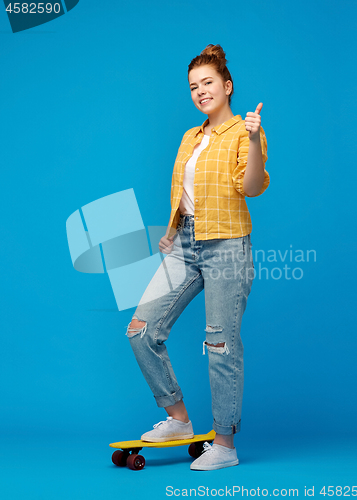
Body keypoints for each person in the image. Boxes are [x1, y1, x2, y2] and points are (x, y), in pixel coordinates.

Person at [126, 43, 269, 471]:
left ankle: (224, 445)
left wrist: (254, 140)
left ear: (227, 86)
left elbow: (253, 186)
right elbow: (181, 193)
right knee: (140, 329)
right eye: (193, 86)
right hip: (186, 245)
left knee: (220, 344)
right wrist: (171, 234)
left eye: (208, 83)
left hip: (227, 245)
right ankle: (178, 419)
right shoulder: (191, 136)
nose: (200, 91)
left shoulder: (245, 130)